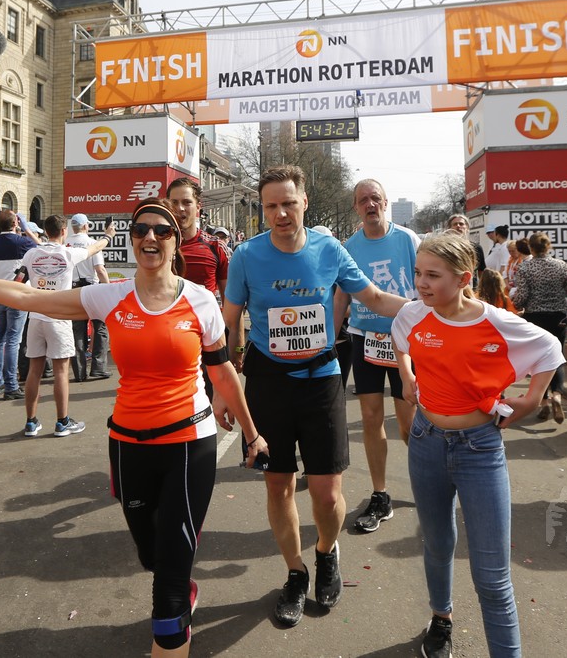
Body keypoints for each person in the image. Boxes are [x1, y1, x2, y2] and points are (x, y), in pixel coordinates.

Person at [0, 197, 263, 657]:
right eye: (141, 230)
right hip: (128, 445)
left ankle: (174, 608)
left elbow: (221, 371)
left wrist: (252, 433)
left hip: (189, 442)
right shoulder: (110, 296)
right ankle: (176, 581)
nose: (150, 237)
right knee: (150, 553)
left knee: (168, 586)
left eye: (162, 230)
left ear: (175, 242)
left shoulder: (201, 301)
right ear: (131, 240)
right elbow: (29, 298)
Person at [223, 165, 410, 627]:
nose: (281, 214)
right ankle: (295, 572)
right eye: (271, 206)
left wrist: (431, 307)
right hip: (269, 381)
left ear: (304, 202)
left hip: (322, 377)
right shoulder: (247, 255)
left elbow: (374, 297)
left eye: (289, 203)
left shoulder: (330, 249)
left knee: (327, 495)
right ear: (262, 209)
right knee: (279, 485)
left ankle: (327, 552)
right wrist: (223, 385)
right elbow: (229, 322)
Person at [391, 232, 563, 658]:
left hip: (479, 450)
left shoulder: (498, 322)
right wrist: (408, 377)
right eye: (418, 272)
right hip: (425, 442)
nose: (421, 283)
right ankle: (441, 617)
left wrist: (533, 398)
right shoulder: (414, 313)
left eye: (433, 275)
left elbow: (549, 346)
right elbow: (399, 336)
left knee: (492, 576)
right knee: (437, 544)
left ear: (464, 278)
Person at [336, 178, 420, 535]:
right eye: (363, 200)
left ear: (385, 203)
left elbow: (425, 282)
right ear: (356, 207)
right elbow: (341, 295)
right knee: (371, 418)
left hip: (406, 341)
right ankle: (380, 494)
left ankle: (427, 483)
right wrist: (329, 337)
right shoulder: (349, 247)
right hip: (365, 338)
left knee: (408, 424)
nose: (370, 204)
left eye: (375, 198)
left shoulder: (408, 239)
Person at [16, 215, 111, 438]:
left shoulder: (31, 253)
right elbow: (95, 247)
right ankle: (62, 422)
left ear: (46, 231)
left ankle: (31, 422)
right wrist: (108, 235)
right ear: (63, 231)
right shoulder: (68, 253)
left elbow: (18, 280)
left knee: (34, 371)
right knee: (60, 371)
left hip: (35, 317)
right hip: (58, 318)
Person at [167, 179, 230, 396]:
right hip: (168, 340)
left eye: (186, 202)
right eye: (174, 202)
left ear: (198, 207)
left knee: (209, 403)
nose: (180, 208)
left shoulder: (215, 246)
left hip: (207, 342)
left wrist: (235, 345)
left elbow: (230, 300)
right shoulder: (156, 245)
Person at [511, 232, 567, 424]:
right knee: (557, 356)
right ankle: (557, 395)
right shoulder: (561, 265)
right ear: (549, 247)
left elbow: (522, 296)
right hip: (558, 316)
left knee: (538, 359)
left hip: (535, 318)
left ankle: (544, 401)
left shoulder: (526, 267)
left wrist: (516, 303)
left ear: (531, 248)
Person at [0, 210, 37, 400]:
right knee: (13, 340)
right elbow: (41, 247)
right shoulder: (23, 242)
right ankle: (11, 385)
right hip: (17, 296)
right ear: (15, 224)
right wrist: (27, 230)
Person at [67, 212, 111, 382]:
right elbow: (100, 269)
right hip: (92, 289)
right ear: (86, 226)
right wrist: (108, 289)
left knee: (77, 330)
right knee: (100, 327)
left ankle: (79, 372)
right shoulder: (92, 243)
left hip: (73, 290)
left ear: (73, 227)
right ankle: (98, 367)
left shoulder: (66, 244)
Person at [446, 214, 485, 288]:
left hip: (471, 288)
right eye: (455, 224)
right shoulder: (445, 248)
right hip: (450, 288)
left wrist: (482, 288)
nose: (458, 226)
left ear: (467, 228)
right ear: (449, 228)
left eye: (461, 224)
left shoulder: (476, 248)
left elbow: (481, 271)